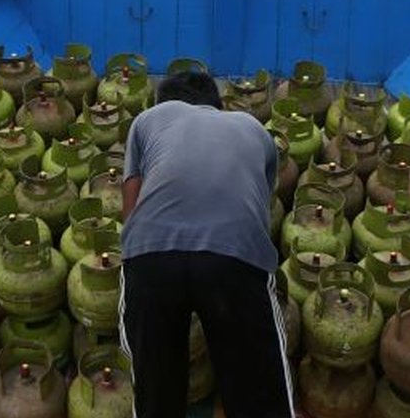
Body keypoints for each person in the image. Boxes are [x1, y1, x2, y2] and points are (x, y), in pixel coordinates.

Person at [119, 71, 293, 417]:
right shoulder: (253, 129)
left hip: (152, 256)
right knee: (258, 389)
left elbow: (131, 212)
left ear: (162, 103)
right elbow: (260, 208)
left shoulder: (147, 121)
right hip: (234, 254)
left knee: (156, 389)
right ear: (218, 106)